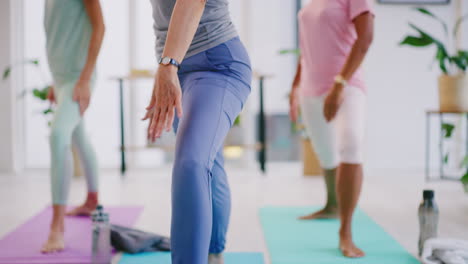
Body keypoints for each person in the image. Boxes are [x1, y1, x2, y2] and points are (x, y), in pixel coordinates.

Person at [143, 0, 251, 263]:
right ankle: (213, 254)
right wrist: (168, 70)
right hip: (178, 71)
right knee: (209, 162)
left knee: (191, 163)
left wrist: (167, 65)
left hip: (217, 64)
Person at [289, 0, 374, 258]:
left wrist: (339, 85)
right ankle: (330, 206)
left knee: (350, 145)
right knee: (325, 153)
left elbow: (366, 39)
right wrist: (294, 87)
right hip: (310, 88)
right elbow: (306, 48)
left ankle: (345, 232)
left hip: (345, 85)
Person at [41, 0, 105, 253]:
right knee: (78, 137)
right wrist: (55, 82)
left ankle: (56, 227)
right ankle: (92, 200)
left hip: (79, 77)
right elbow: (56, 34)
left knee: (58, 136)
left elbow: (100, 27)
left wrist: (84, 79)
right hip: (61, 79)